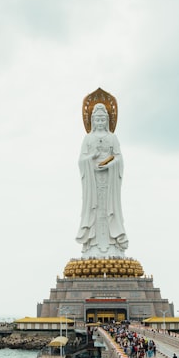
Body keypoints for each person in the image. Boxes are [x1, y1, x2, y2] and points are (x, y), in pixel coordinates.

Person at [76, 100, 129, 257]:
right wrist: (92, 157)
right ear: (92, 121)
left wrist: (110, 165)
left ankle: (113, 243)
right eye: (97, 120)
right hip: (93, 183)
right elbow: (81, 160)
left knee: (109, 210)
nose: (99, 122)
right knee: (94, 209)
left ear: (107, 120)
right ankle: (93, 244)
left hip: (109, 182)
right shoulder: (88, 139)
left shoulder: (112, 138)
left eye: (102, 119)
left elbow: (119, 159)